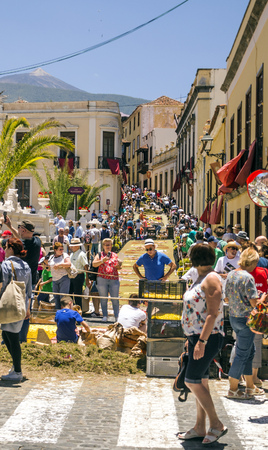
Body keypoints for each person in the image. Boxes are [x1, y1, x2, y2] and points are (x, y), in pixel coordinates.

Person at [178, 244, 227, 444]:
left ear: (194, 259)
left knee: (192, 381)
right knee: (201, 382)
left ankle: (216, 424)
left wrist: (202, 342)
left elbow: (213, 314)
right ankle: (200, 426)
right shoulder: (198, 277)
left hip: (208, 337)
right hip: (195, 337)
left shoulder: (212, 279)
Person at [225, 247, 265, 399]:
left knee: (249, 351)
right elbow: (254, 302)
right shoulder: (248, 277)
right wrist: (262, 299)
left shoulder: (231, 274)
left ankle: (250, 386)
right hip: (247, 319)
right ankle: (233, 388)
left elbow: (227, 297)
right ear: (253, 262)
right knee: (242, 354)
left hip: (234, 317)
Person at [5, 217, 41, 342]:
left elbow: (18, 242)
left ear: (24, 230)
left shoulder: (24, 246)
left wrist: (10, 227)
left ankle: (10, 338)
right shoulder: (37, 241)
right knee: (26, 310)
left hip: (19, 281)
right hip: (30, 280)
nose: (18, 229)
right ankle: (21, 339)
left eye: (19, 227)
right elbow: (21, 238)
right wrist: (10, 227)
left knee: (13, 308)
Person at [1, 238, 32, 382]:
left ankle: (18, 371)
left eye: (6, 247)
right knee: (8, 335)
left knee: (12, 338)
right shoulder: (26, 265)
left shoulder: (6, 265)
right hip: (21, 305)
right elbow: (29, 289)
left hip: (8, 304)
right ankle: (15, 366)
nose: (5, 250)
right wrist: (28, 308)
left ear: (12, 249)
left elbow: (3, 285)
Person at [92, 238, 122, 322]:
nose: (108, 246)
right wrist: (102, 260)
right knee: (103, 298)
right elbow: (94, 264)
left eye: (109, 245)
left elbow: (119, 267)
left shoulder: (115, 255)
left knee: (115, 298)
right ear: (103, 246)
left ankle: (117, 316)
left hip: (113, 278)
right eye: (106, 245)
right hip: (102, 279)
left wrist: (118, 266)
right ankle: (105, 315)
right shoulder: (99, 254)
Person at [48, 242, 71, 310]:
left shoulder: (64, 255)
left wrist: (60, 265)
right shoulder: (51, 257)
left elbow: (69, 264)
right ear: (55, 250)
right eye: (60, 249)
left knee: (63, 297)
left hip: (63, 278)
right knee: (56, 297)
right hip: (54, 279)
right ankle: (57, 312)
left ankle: (64, 311)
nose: (62, 251)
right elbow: (49, 268)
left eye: (62, 249)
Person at [69, 238, 90, 309]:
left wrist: (87, 278)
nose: (71, 247)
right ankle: (72, 309)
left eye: (73, 246)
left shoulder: (81, 254)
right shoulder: (71, 254)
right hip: (71, 276)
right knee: (70, 294)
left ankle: (78, 310)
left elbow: (86, 267)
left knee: (77, 295)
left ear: (77, 246)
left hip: (78, 276)